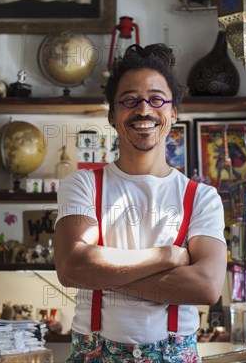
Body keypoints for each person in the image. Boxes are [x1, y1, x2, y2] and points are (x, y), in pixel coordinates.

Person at [54, 44, 227, 362]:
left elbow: (206, 287)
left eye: (157, 99)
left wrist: (102, 274)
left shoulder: (202, 197)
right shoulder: (82, 184)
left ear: (173, 113)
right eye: (129, 100)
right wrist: (168, 256)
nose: (144, 110)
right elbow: (72, 267)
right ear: (112, 115)